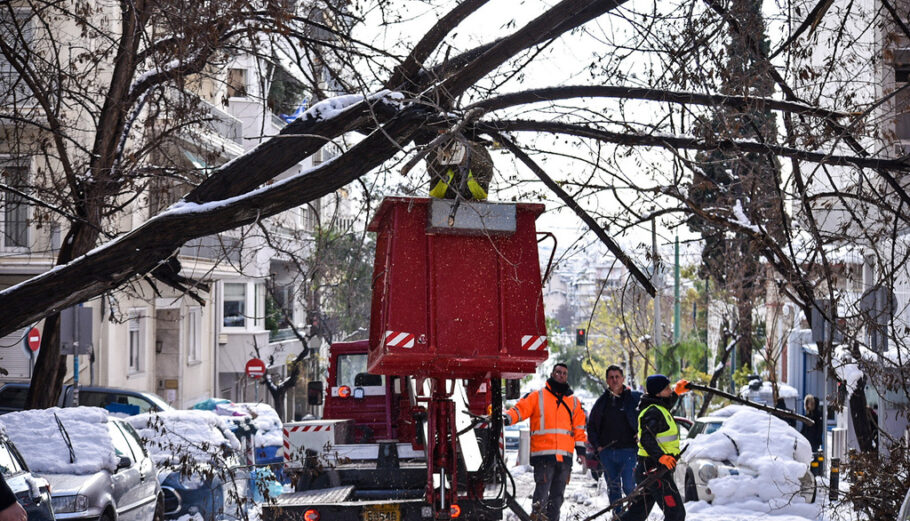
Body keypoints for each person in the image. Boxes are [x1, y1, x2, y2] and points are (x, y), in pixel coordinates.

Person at [503, 363, 587, 521]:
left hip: (564, 459)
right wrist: (507, 418)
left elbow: (579, 429)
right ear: (552, 373)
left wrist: (581, 452)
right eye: (558, 372)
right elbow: (520, 410)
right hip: (544, 456)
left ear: (566, 377)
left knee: (557, 498)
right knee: (541, 496)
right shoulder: (538, 396)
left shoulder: (573, 402)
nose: (561, 375)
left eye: (564, 373)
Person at [617, 374, 688, 521]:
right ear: (658, 393)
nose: (670, 390)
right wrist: (661, 456)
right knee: (676, 514)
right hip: (655, 469)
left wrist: (677, 392)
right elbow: (646, 439)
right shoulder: (653, 412)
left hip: (650, 469)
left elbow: (666, 405)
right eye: (667, 388)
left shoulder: (658, 408)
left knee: (637, 514)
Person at [586, 365, 642, 511]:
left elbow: (646, 416)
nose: (615, 380)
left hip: (629, 451)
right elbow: (591, 425)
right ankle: (618, 516)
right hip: (607, 453)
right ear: (607, 381)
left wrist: (640, 433)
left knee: (630, 486)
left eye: (617, 376)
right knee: (613, 488)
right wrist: (598, 446)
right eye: (611, 377)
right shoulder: (602, 402)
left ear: (623, 379)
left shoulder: (634, 398)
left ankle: (635, 515)